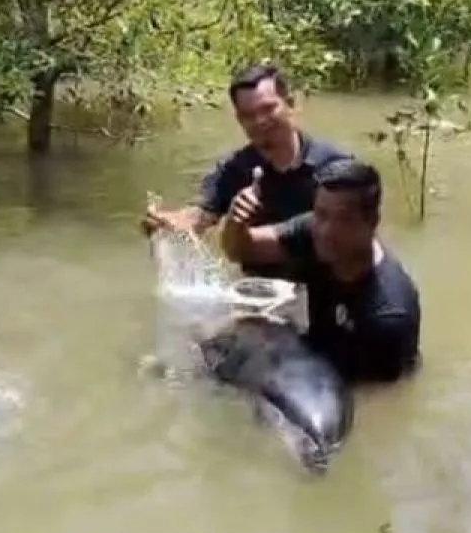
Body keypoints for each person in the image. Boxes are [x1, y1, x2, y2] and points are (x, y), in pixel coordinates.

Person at [219, 157, 421, 383]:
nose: (326, 231)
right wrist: (236, 222)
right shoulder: (315, 233)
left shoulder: (387, 316)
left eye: (344, 219)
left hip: (355, 373)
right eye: (321, 214)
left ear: (372, 222)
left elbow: (373, 397)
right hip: (319, 351)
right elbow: (242, 251)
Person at [141, 63, 350, 279]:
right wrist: (168, 222)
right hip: (258, 288)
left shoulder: (336, 168)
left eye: (268, 109)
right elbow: (200, 217)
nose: (260, 121)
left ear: (290, 104)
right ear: (240, 120)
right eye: (249, 115)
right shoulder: (235, 169)